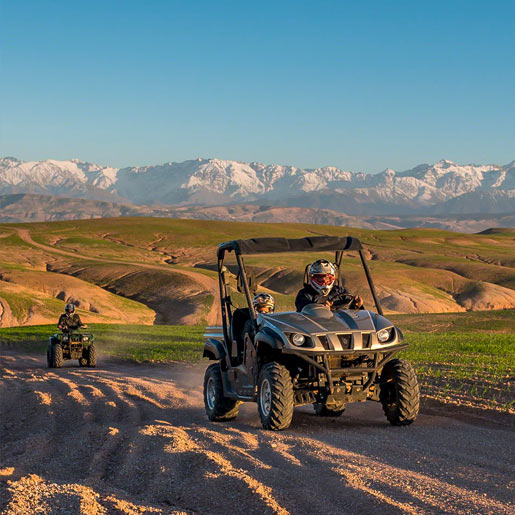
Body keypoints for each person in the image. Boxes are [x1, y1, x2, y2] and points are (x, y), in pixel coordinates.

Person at [295, 259, 363, 312]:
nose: (324, 281)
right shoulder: (305, 294)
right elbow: (305, 309)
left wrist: (357, 305)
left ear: (333, 278)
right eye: (319, 278)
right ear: (312, 278)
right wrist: (320, 309)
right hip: (316, 327)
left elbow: (352, 311)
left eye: (328, 278)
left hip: (341, 326)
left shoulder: (340, 291)